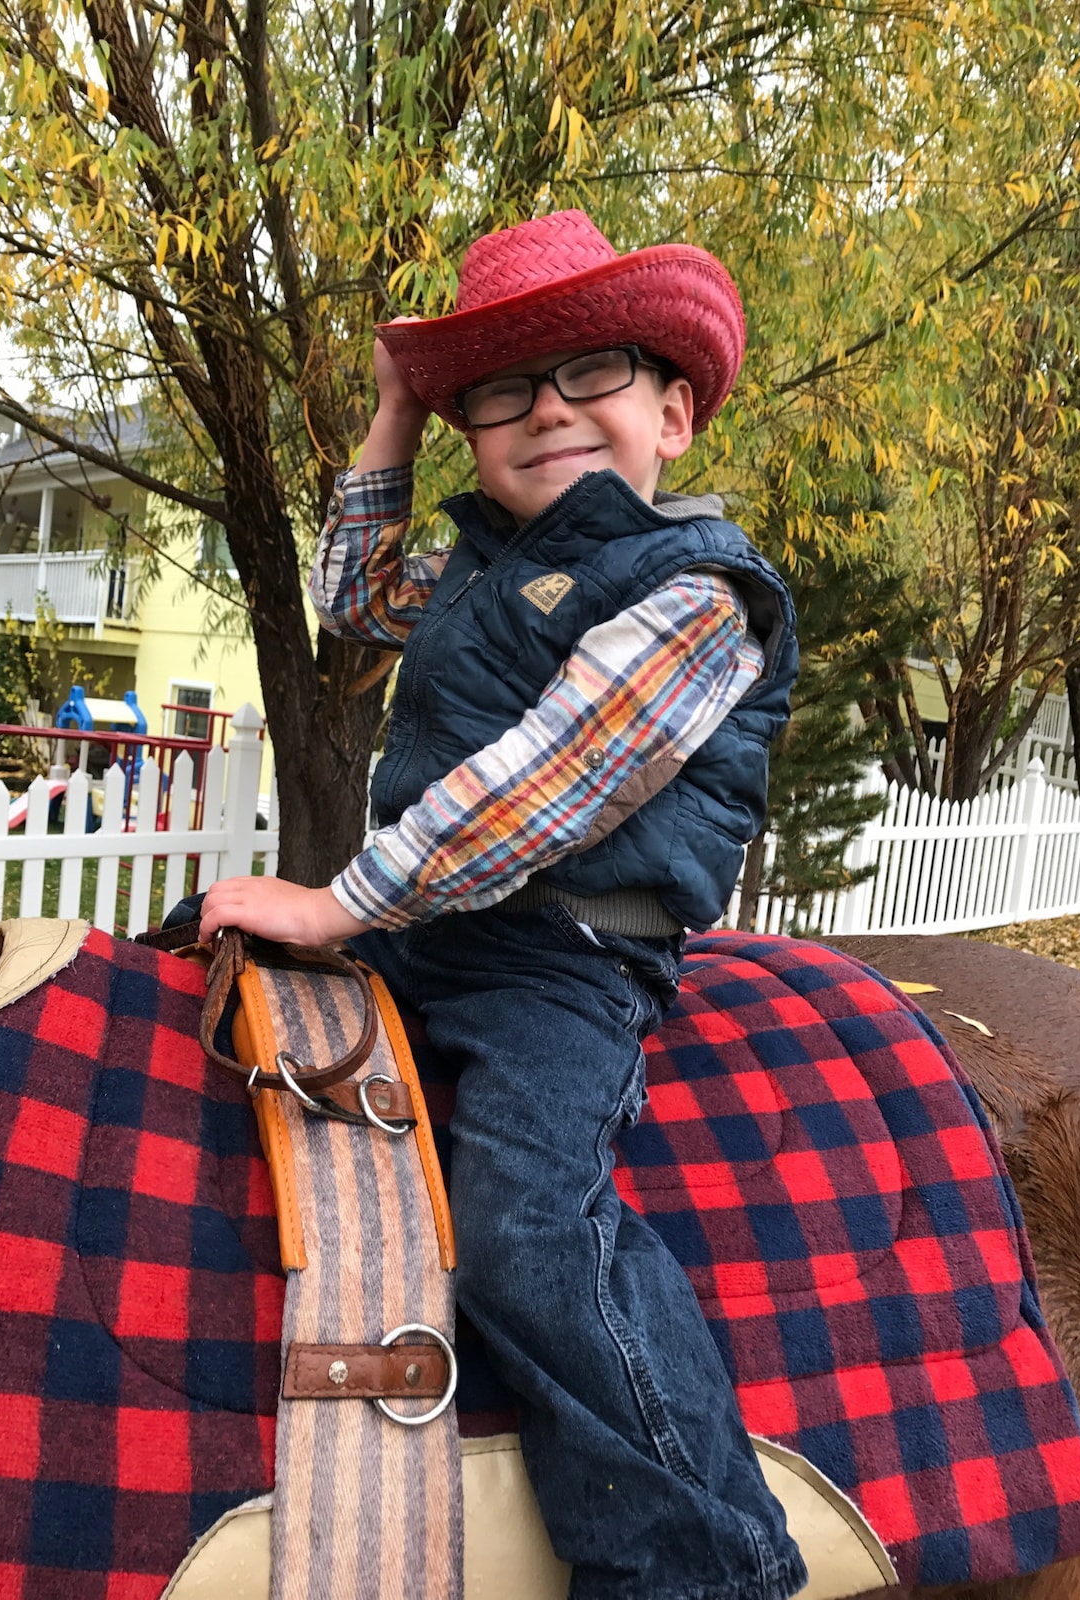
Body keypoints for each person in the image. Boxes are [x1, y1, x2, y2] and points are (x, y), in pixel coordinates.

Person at [197, 209, 805, 1600]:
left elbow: (552, 784)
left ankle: (705, 1557)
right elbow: (351, 597)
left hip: (564, 961)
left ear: (676, 416)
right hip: (436, 931)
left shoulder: (694, 591)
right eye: (502, 387)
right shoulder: (481, 563)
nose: (546, 411)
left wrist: (337, 903)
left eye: (590, 371)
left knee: (527, 1223)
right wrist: (398, 412)